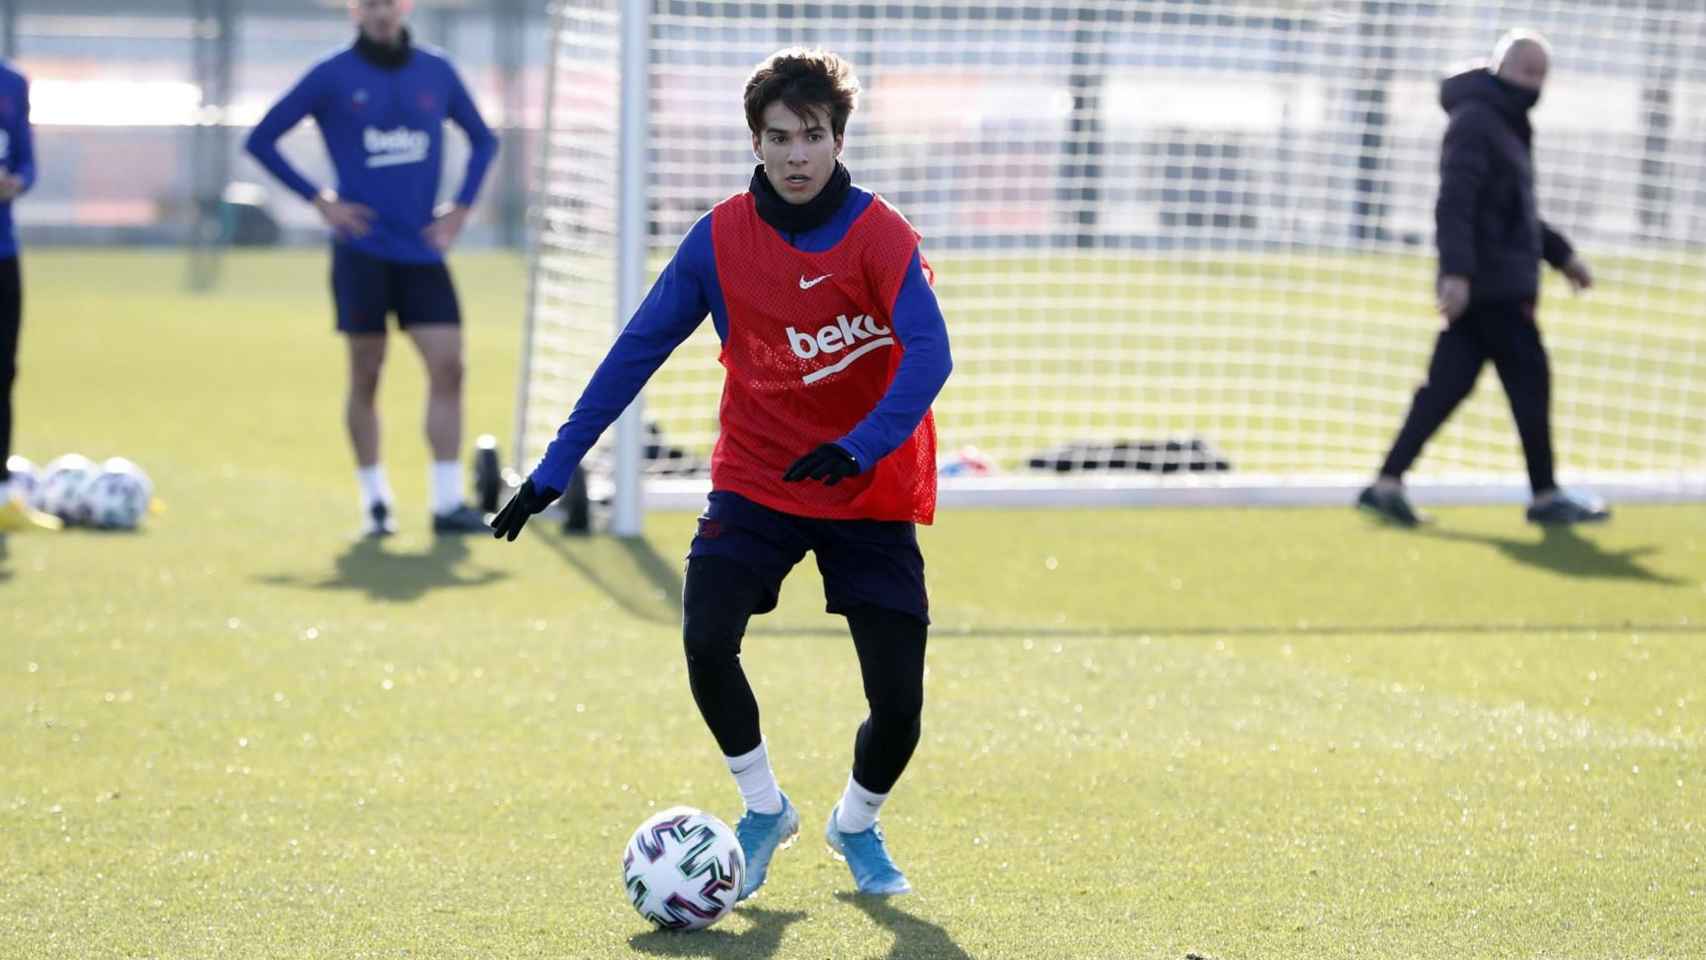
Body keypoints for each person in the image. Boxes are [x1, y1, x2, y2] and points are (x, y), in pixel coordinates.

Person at [490, 49, 953, 899]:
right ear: (757, 140)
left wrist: (859, 443)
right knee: (706, 636)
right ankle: (762, 807)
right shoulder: (720, 240)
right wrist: (555, 468)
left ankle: (855, 823)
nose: (797, 155)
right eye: (779, 137)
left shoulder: (881, 236)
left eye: (813, 136)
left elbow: (931, 355)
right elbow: (634, 352)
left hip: (867, 484)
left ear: (838, 138)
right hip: (759, 477)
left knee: (899, 706)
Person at [245, 0, 498, 537]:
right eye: (371, 4)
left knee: (448, 366)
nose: (382, 14)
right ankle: (375, 501)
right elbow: (261, 139)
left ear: (405, 6)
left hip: (423, 251)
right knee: (367, 371)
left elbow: (484, 138)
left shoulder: (437, 70)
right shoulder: (332, 75)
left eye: (390, 3)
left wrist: (461, 207)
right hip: (360, 251)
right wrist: (320, 200)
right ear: (353, 10)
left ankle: (448, 502)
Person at [1359, 30, 1609, 528]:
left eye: (1541, 75)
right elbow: (1455, 202)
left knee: (1445, 388)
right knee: (1529, 384)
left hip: (1492, 283)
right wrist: (1455, 273)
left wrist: (1561, 257)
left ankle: (1386, 483)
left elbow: (1515, 214)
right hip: (1492, 287)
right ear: (1501, 68)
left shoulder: (1504, 125)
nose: (1534, 84)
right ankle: (1545, 496)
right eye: (1526, 72)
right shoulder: (1478, 122)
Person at [0, 57, 56, 534]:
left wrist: (14, 183)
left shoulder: (12, 83)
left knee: (4, 369)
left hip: (2, 251)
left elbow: (27, 161)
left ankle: (1, 493)